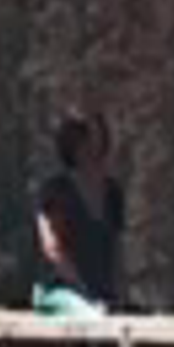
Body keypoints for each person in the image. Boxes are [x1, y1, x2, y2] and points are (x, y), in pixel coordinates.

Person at [30, 108, 129, 315]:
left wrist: (120, 297)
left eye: (102, 137)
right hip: (60, 293)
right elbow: (53, 250)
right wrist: (86, 295)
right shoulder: (56, 191)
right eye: (89, 138)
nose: (97, 145)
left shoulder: (113, 192)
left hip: (103, 295)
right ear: (74, 145)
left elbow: (117, 251)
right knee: (94, 318)